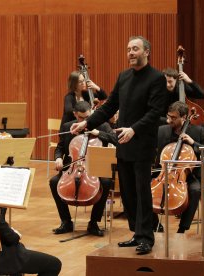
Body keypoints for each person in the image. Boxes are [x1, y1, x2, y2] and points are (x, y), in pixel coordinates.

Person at [70, 36, 168, 255]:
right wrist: (87, 122)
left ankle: (146, 237)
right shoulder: (123, 77)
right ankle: (136, 233)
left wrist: (134, 129)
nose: (131, 53)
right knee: (128, 193)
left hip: (142, 143)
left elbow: (155, 112)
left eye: (135, 49)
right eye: (128, 49)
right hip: (123, 142)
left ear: (147, 52)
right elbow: (109, 106)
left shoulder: (156, 78)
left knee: (142, 192)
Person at [50, 101, 116, 236]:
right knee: (53, 182)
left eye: (88, 117)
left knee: (106, 182)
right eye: (82, 118)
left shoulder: (102, 125)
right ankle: (66, 221)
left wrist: (99, 133)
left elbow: (115, 139)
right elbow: (60, 147)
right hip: (73, 168)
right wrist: (58, 158)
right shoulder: (68, 127)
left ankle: (93, 223)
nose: (85, 121)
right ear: (75, 114)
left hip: (96, 168)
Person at [153, 101, 204, 233]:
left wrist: (193, 143)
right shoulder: (162, 130)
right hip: (163, 173)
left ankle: (182, 229)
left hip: (188, 176)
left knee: (196, 190)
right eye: (168, 116)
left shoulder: (198, 131)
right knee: (142, 187)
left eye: (173, 118)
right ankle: (155, 224)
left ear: (184, 117)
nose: (169, 120)